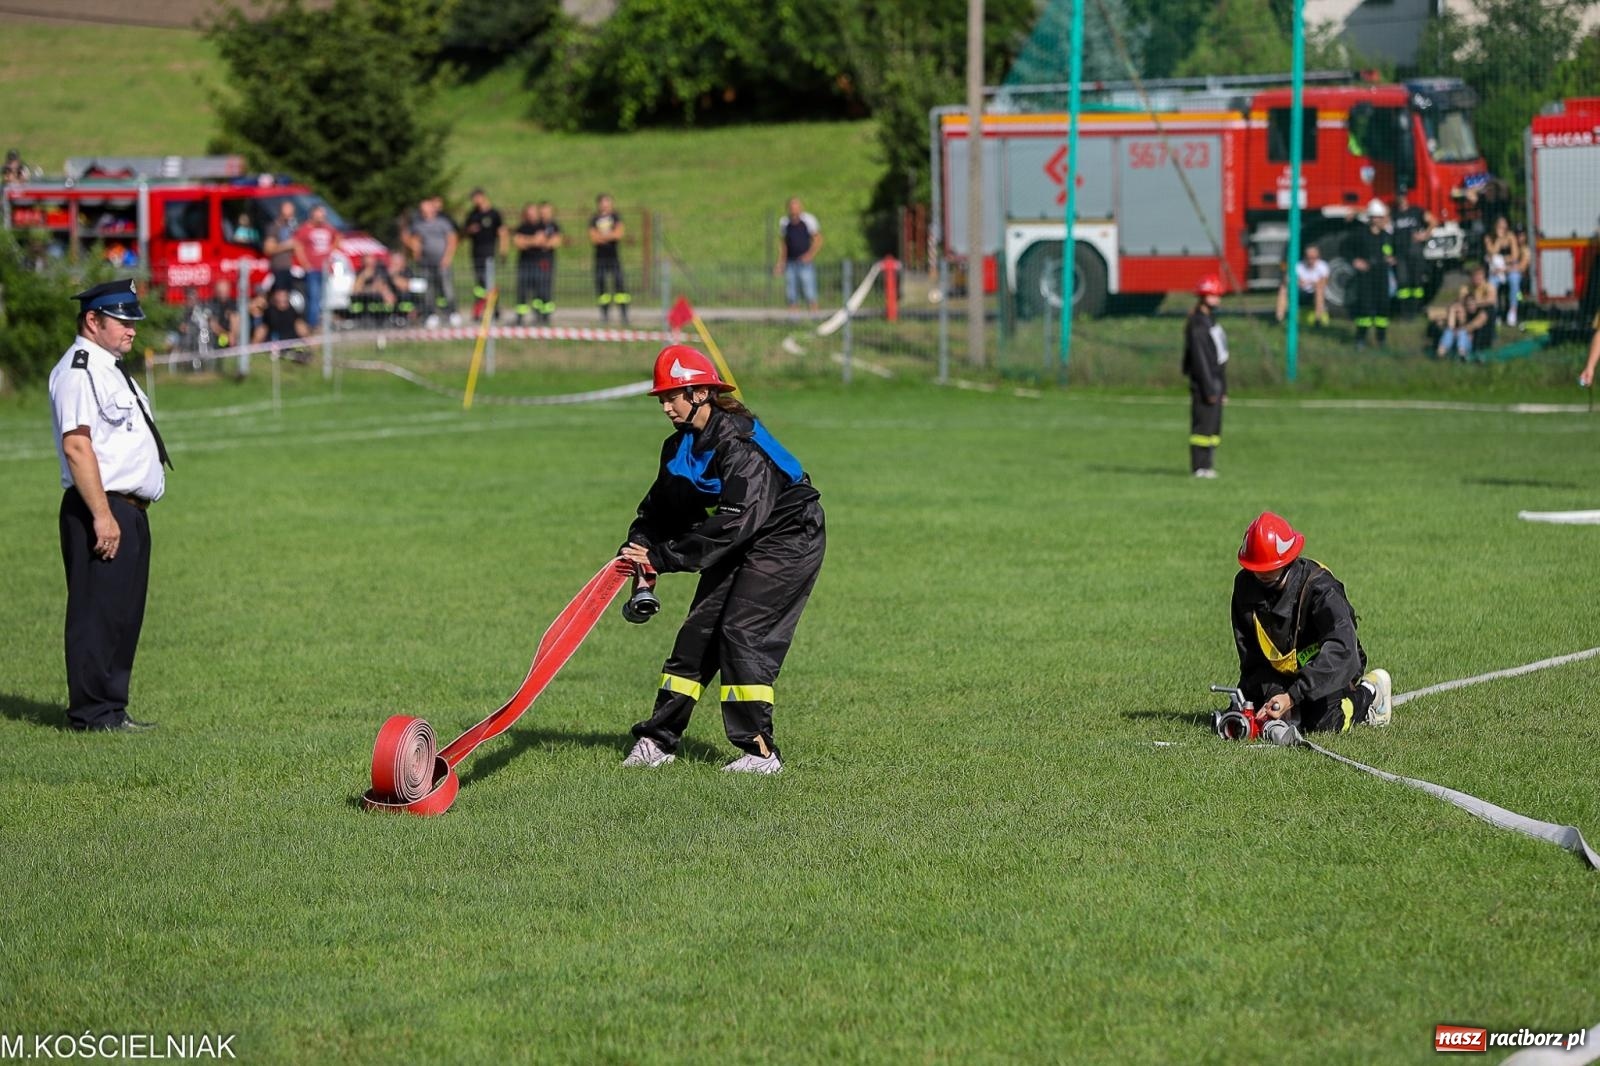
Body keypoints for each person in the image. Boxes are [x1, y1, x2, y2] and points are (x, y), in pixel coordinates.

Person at [617, 345, 826, 774]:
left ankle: (760, 753)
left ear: (700, 394)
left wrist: (663, 558)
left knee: (741, 631)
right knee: (697, 634)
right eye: (662, 398)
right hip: (741, 536)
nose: (666, 407)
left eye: (673, 396)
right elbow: (659, 510)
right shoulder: (679, 446)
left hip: (787, 536)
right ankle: (657, 741)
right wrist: (638, 546)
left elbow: (736, 521)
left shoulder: (739, 442)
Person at [48, 279, 172, 732]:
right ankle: (91, 714)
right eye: (122, 320)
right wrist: (102, 515)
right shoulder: (79, 371)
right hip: (100, 507)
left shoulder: (110, 368)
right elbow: (77, 446)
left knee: (122, 614)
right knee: (96, 614)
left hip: (127, 510)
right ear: (92, 320)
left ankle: (112, 710)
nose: (132, 329)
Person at [1232, 512, 1392, 735]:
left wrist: (1293, 696)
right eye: (1256, 568)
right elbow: (1252, 658)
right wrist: (1273, 695)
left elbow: (1342, 649)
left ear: (1288, 560)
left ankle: (1370, 693)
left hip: (1327, 665)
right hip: (1278, 671)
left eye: (1269, 568)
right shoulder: (1245, 586)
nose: (1261, 573)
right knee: (1244, 712)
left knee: (1322, 723)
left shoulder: (1322, 589)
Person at [1182, 275, 1227, 479]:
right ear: (1203, 297)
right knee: (1202, 427)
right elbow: (1200, 360)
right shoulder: (1198, 324)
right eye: (1213, 295)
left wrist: (1223, 388)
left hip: (1216, 382)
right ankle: (1199, 466)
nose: (1217, 299)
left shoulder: (1211, 321)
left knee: (1213, 428)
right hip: (1205, 384)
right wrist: (1209, 388)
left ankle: (1208, 464)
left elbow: (1220, 356)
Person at [405, 195, 459, 327]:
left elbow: (452, 239)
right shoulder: (418, 224)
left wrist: (447, 257)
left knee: (446, 288)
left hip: (442, 261)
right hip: (425, 263)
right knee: (428, 290)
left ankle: (452, 312)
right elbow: (413, 239)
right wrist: (415, 251)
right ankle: (431, 314)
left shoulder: (443, 223)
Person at [1347, 199, 1393, 349]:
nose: (1379, 220)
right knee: (1365, 308)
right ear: (1371, 218)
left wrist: (1392, 258)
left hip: (1382, 275)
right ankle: (1360, 339)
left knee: (1383, 308)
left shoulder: (1386, 235)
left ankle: (1381, 340)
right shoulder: (1360, 234)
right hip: (1366, 276)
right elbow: (1345, 248)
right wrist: (1355, 261)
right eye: (1376, 217)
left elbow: (1393, 251)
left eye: (1381, 217)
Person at [292, 204, 342, 330]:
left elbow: (338, 237)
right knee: (313, 296)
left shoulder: (328, 228)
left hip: (325, 268)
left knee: (324, 297)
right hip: (312, 269)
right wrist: (305, 263)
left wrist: (331, 251)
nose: (322, 217)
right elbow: (298, 246)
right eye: (319, 214)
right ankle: (313, 324)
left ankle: (322, 321)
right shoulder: (304, 229)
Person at [463, 187, 508, 321]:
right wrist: (469, 230)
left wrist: (503, 251)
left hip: (489, 253)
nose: (475, 201)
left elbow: (502, 233)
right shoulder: (472, 214)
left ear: (482, 197)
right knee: (479, 285)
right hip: (476, 253)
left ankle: (494, 308)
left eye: (476, 197)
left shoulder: (494, 214)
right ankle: (479, 309)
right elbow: (463, 232)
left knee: (489, 282)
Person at [1435, 264, 1496, 362]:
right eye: (1475, 276)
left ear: (1483, 276)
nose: (1477, 279)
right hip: (1465, 317)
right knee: (1453, 315)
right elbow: (1460, 301)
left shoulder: (1488, 287)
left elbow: (1491, 300)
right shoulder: (1466, 288)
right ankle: (1442, 351)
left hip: (1479, 318)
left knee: (1465, 329)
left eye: (1479, 276)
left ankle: (1461, 351)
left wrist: (1475, 303)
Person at [774, 197, 823, 312]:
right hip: (790, 261)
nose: (794, 210)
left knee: (808, 286)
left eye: (797, 207)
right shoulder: (785, 222)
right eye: (792, 207)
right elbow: (783, 243)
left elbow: (818, 239)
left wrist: (810, 255)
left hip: (805, 261)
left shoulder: (808, 220)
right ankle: (793, 313)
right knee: (791, 288)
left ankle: (814, 311)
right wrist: (781, 262)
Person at [1390, 186, 1431, 319]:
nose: (1401, 198)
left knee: (1416, 283)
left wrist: (1425, 234)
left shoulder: (1416, 211)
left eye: (1403, 195)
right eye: (1399, 195)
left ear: (1406, 196)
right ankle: (1405, 312)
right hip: (1400, 255)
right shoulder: (1393, 213)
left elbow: (1433, 221)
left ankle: (1416, 310)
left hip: (1415, 253)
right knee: (1403, 283)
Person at [588, 193, 630, 325]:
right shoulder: (594, 219)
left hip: (614, 257)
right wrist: (609, 235)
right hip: (600, 258)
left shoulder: (616, 217)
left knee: (619, 284)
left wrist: (603, 236)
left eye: (608, 202)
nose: (605, 205)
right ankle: (604, 314)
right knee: (601, 286)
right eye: (603, 203)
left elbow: (618, 234)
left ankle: (624, 314)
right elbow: (594, 238)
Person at [1275, 244, 1330, 327]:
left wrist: (1312, 283)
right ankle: (1279, 318)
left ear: (1318, 257)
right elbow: (1288, 280)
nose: (1311, 260)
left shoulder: (1322, 266)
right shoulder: (1299, 266)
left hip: (1314, 293)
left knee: (1319, 289)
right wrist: (1297, 282)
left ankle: (1317, 319)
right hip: (1300, 292)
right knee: (1283, 288)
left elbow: (1324, 282)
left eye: (1313, 258)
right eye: (1309, 257)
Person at [530, 201, 562, 324]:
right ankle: (537, 313)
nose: (544, 214)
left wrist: (543, 241)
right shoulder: (536, 225)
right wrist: (540, 241)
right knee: (536, 287)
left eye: (547, 211)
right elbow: (534, 240)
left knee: (546, 286)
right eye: (542, 211)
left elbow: (556, 241)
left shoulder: (554, 226)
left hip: (548, 260)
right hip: (535, 260)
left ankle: (546, 315)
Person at [263, 201, 300, 294]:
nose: (290, 217)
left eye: (292, 214)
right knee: (280, 296)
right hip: (279, 267)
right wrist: (287, 245)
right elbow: (268, 249)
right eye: (288, 214)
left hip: (292, 268)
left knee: (287, 296)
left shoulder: (292, 227)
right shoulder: (274, 227)